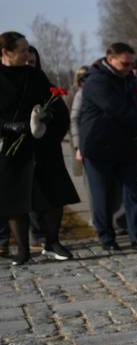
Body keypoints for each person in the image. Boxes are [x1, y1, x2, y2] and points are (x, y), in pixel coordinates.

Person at [77, 42, 137, 254]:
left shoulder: (128, 78)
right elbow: (117, 110)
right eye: (125, 64)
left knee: (133, 195)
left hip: (125, 145)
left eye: (131, 64)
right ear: (110, 59)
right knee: (102, 196)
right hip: (98, 147)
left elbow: (135, 106)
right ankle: (106, 237)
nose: (129, 68)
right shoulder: (96, 81)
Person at [0, 32, 53, 266]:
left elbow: (49, 103)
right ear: (6, 53)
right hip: (8, 144)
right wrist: (17, 126)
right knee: (14, 199)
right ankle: (23, 250)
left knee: (46, 194)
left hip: (36, 142)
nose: (27, 53)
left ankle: (50, 241)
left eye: (28, 49)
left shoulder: (35, 75)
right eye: (22, 50)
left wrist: (42, 118)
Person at [25, 46, 79, 260]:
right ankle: (30, 239)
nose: (29, 65)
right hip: (21, 151)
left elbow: (62, 119)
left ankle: (52, 240)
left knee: (55, 196)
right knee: (26, 199)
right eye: (25, 61)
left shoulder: (47, 87)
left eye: (32, 62)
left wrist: (47, 126)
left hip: (47, 150)